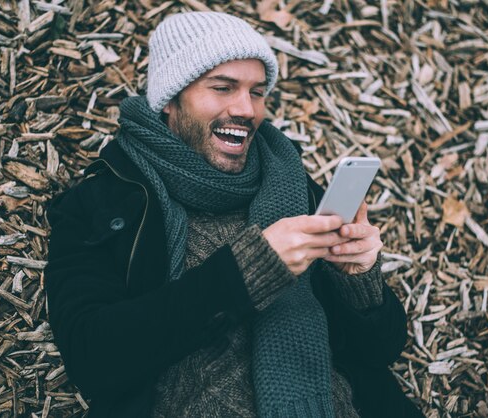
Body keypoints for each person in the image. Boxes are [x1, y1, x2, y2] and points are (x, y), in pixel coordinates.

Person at [44, 11, 424, 418]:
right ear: (170, 99)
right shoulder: (104, 203)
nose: (247, 109)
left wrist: (359, 282)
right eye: (223, 88)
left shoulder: (292, 184)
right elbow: (93, 359)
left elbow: (377, 353)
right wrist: (247, 271)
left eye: (257, 92)